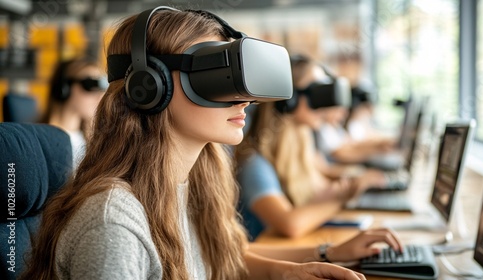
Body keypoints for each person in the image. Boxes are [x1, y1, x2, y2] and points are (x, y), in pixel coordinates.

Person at [20, 7, 366, 280]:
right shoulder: (113, 224)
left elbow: (222, 258)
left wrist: (288, 270)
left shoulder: (192, 183)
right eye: (214, 77)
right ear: (150, 86)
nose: (241, 98)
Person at [235, 56, 394, 241]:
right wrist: (342, 198)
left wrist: (353, 185)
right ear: (289, 98)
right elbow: (290, 224)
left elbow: (319, 189)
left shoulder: (301, 146)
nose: (326, 106)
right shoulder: (255, 162)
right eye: (318, 91)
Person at [42, 58, 107, 169]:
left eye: (102, 86)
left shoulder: (94, 141)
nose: (99, 95)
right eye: (90, 84)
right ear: (64, 89)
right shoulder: (42, 141)